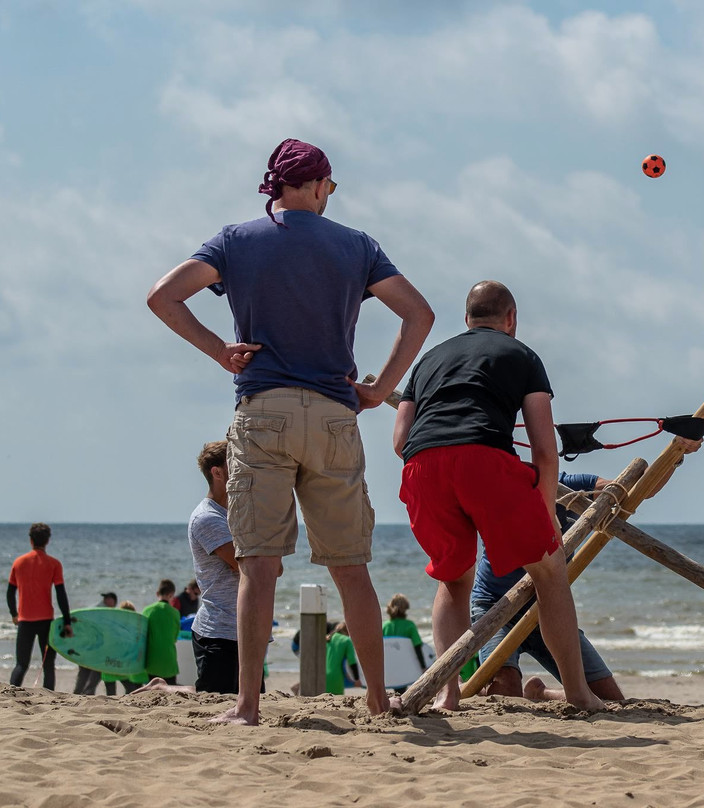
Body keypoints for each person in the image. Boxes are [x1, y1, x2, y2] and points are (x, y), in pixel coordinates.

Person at [147, 137, 434, 724]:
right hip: (333, 414)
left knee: (257, 565)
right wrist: (380, 389)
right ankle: (378, 700)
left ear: (275, 185)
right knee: (350, 567)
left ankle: (247, 706)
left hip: (264, 410)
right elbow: (419, 313)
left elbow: (163, 296)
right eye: (331, 186)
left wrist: (219, 350)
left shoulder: (235, 240)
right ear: (319, 185)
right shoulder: (357, 245)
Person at [394, 280, 604, 713]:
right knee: (549, 572)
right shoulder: (522, 354)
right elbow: (544, 449)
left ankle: (447, 695)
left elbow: (400, 440)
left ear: (467, 319)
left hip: (422, 465)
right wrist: (545, 510)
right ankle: (578, 694)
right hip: (485, 459)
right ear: (511, 319)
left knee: (453, 580)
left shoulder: (429, 358)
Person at [473, 441, 702, 702]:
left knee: (611, 699)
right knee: (506, 692)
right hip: (497, 606)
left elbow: (637, 489)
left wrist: (676, 453)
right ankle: (477, 685)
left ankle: (541, 693)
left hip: (548, 609)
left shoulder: (567, 485)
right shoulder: (499, 490)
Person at [187, 440, 258, 695]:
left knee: (252, 703)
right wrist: (257, 559)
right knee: (213, 703)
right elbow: (254, 569)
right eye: (235, 464)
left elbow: (269, 567)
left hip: (246, 630)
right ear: (217, 473)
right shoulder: (207, 518)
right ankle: (166, 688)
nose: (243, 468)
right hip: (219, 632)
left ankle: (166, 687)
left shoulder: (235, 514)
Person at [7, 523, 72, 689]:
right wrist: (67, 621)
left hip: (25, 621)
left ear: (31, 540)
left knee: (21, 664)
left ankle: (11, 693)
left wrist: (14, 614)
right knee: (48, 665)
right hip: (46, 622)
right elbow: (61, 595)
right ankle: (49, 695)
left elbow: (10, 592)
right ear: (48, 541)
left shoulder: (19, 562)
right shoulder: (54, 564)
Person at [73, 591, 118, 696]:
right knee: (92, 675)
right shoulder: (101, 611)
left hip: (87, 649)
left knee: (85, 676)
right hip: (92, 650)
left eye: (108, 598)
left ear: (114, 601)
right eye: (105, 598)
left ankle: (78, 694)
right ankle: (83, 694)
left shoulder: (96, 610)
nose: (105, 600)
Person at [105, 601, 150, 694]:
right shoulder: (134, 628)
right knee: (131, 691)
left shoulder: (112, 625)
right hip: (123, 667)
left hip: (109, 665)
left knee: (111, 694)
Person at [143, 580, 181, 684]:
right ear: (171, 595)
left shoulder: (147, 610)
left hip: (152, 661)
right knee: (170, 690)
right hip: (169, 661)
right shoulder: (175, 613)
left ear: (157, 593)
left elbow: (142, 636)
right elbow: (175, 637)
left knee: (152, 689)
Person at [382, 594, 426, 670]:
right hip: (407, 667)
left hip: (388, 668)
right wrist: (423, 667)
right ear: (405, 608)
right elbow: (417, 647)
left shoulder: (384, 626)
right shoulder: (410, 625)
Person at [326, 622, 361, 696]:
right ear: (349, 631)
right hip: (336, 677)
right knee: (335, 700)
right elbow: (352, 661)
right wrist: (357, 679)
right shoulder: (346, 640)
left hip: (322, 676)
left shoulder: (327, 638)